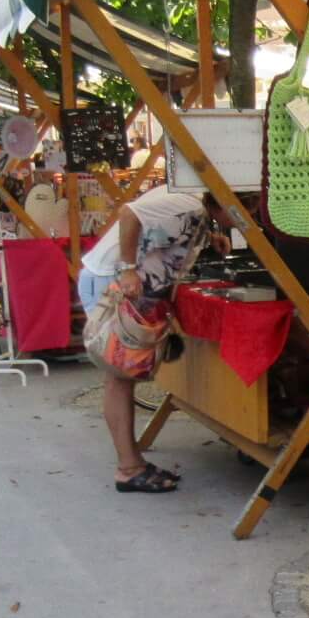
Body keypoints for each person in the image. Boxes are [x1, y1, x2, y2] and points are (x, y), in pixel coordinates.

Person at [77, 186, 231, 493]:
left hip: (115, 281)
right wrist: (128, 270)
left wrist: (206, 239)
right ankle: (128, 468)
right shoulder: (189, 206)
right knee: (119, 375)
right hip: (113, 282)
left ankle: (130, 462)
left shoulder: (193, 203)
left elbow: (158, 229)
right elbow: (129, 214)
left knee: (122, 375)